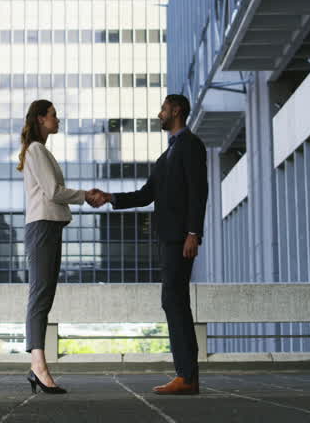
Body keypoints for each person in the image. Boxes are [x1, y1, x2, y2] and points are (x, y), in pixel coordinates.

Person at [89, 94, 208, 395]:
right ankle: (187, 376)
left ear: (177, 110)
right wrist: (110, 198)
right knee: (173, 301)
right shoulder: (164, 157)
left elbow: (198, 192)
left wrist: (193, 233)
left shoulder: (191, 146)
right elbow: (145, 195)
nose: (159, 114)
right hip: (168, 238)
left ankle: (187, 377)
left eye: (163, 109)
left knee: (174, 301)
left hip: (181, 237)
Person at [18, 98, 107, 395]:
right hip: (42, 227)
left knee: (45, 295)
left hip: (48, 227)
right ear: (41, 119)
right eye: (54, 115)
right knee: (40, 295)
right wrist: (86, 196)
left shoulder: (40, 150)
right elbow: (53, 192)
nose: (58, 119)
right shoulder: (37, 149)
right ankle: (38, 365)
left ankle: (38, 365)